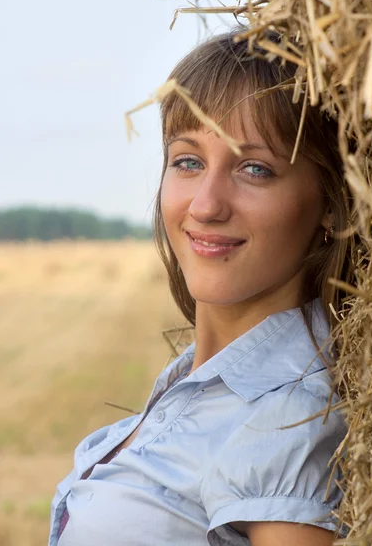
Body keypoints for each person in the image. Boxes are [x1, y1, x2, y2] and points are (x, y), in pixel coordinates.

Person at [49, 28, 352, 546]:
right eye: (187, 161)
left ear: (329, 202)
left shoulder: (287, 416)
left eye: (255, 168)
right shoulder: (197, 380)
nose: (206, 206)